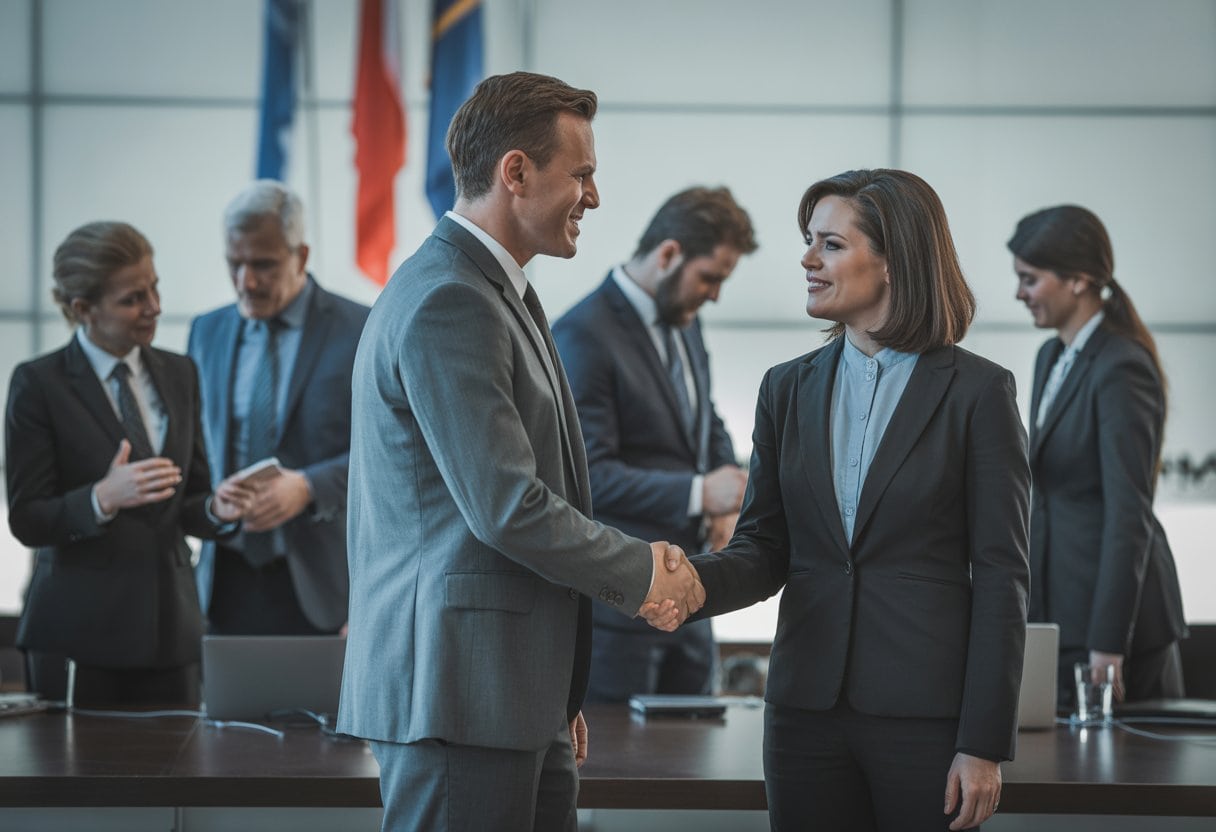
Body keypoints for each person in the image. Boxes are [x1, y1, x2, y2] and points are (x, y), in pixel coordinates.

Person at [336, 71, 704, 832]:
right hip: (459, 696)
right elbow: (506, 505)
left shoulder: (496, 292)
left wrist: (553, 695)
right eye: (583, 175)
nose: (594, 198)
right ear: (515, 172)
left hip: (509, 698)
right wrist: (643, 573)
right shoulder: (449, 299)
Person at [662, 169, 1030, 831]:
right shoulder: (786, 389)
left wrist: (984, 742)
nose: (807, 260)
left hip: (926, 716)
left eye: (830, 244)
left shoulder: (978, 393)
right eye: (810, 241)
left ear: (893, 261)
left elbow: (1004, 575)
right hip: (804, 713)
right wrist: (683, 584)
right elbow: (764, 549)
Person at [6, 221, 253, 707]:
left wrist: (218, 509)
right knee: (78, 783)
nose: (155, 307)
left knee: (182, 781)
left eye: (154, 287)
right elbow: (28, 517)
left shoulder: (180, 372)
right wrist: (101, 499)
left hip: (173, 633)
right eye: (133, 298)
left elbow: (191, 496)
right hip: (78, 636)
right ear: (83, 310)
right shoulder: (39, 384)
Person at [553, 186, 755, 703]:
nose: (714, 295)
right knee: (619, 779)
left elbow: (703, 419)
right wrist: (698, 493)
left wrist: (723, 507)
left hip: (692, 597)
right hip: (620, 613)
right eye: (710, 278)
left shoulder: (683, 322)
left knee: (694, 770)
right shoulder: (583, 333)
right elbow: (588, 475)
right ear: (668, 254)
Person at [1010, 204, 1186, 708]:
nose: (1018, 293)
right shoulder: (1051, 357)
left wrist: (1108, 644)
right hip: (1059, 614)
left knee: (1123, 781)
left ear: (1079, 280)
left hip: (1113, 628)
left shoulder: (1121, 366)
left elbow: (1128, 513)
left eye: (1030, 279)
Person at [188, 180, 369, 636]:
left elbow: (397, 449)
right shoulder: (205, 332)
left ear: (301, 256)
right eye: (236, 264)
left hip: (327, 587)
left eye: (263, 264)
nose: (246, 281)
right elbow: (195, 446)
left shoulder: (364, 328)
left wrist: (310, 486)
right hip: (222, 581)